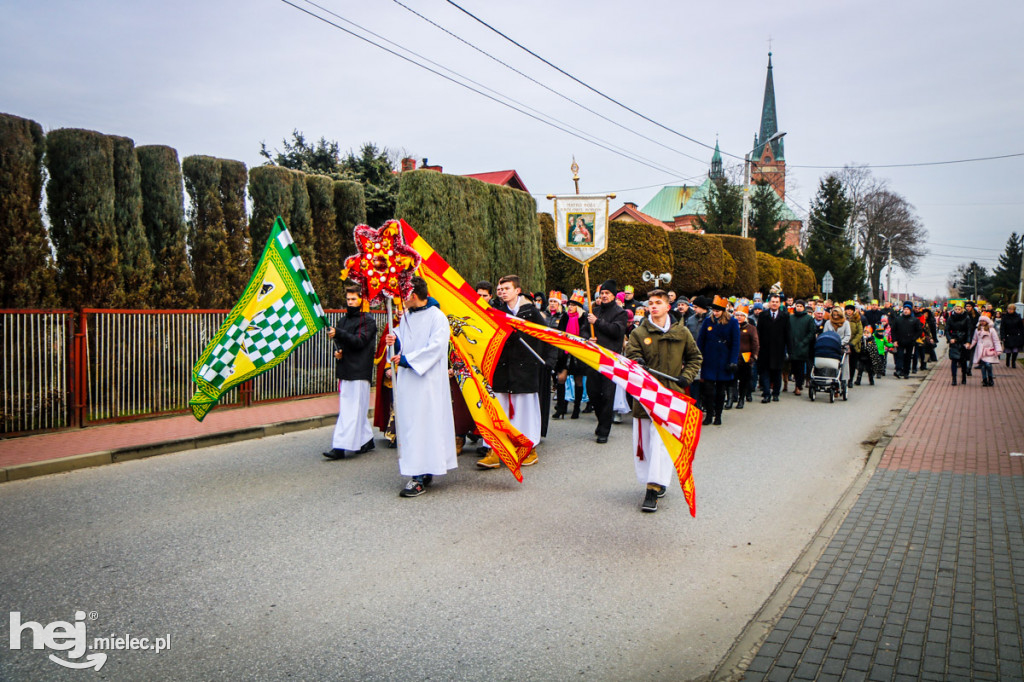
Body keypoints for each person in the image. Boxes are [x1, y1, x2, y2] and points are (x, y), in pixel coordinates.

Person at [624, 289, 702, 513]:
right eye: (651, 303)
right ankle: (655, 481)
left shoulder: (682, 332)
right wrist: (636, 360)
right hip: (646, 397)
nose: (653, 306)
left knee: (660, 444)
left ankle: (652, 490)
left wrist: (685, 378)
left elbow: (695, 357)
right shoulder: (640, 333)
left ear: (668, 306)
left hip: (670, 398)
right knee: (646, 446)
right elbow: (630, 355)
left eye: (658, 302)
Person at [384, 277, 457, 497]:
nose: (400, 300)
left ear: (413, 296)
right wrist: (393, 340)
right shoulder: (406, 317)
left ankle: (419, 475)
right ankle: (421, 470)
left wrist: (407, 360)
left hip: (428, 383)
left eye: (403, 295)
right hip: (409, 382)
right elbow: (402, 339)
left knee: (425, 425)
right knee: (412, 425)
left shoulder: (438, 318)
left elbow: (436, 348)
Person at [478, 275, 547, 468]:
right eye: (501, 289)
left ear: (517, 290)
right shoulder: (495, 311)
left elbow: (544, 337)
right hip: (500, 370)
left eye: (507, 288)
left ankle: (528, 448)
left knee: (524, 411)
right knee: (497, 411)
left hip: (524, 371)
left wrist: (544, 362)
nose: (502, 291)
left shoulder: (531, 313)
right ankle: (494, 450)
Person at [323, 285, 378, 460]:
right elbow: (343, 344)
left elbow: (360, 341)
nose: (350, 302)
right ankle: (366, 439)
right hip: (346, 368)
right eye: (348, 299)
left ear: (361, 300)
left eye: (353, 299)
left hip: (360, 370)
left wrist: (339, 333)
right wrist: (339, 351)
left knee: (351, 410)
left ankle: (340, 446)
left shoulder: (368, 321)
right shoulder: (343, 320)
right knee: (355, 408)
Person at [587, 280, 630, 444]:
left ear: (613, 295)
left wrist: (597, 322)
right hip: (593, 357)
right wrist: (587, 338)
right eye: (602, 293)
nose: (604, 296)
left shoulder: (621, 313)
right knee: (593, 392)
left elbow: (617, 331)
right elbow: (585, 329)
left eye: (607, 293)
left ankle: (604, 429)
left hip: (610, 359)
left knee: (607, 394)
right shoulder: (593, 310)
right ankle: (602, 419)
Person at [696, 296, 740, 426]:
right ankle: (709, 414)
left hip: (724, 360)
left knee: (720, 391)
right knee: (708, 390)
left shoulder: (732, 322)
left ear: (723, 311)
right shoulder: (708, 322)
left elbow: (735, 343)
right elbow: (701, 341)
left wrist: (733, 360)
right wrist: (699, 357)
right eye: (713, 311)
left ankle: (718, 415)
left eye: (717, 311)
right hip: (709, 359)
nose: (715, 313)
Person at [553, 291, 589, 419]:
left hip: (578, 352)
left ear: (578, 306)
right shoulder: (565, 317)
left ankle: (576, 408)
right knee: (561, 378)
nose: (570, 307)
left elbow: (586, 334)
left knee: (578, 380)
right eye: (569, 304)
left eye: (573, 305)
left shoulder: (584, 318)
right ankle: (561, 407)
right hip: (564, 352)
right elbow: (560, 331)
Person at [756, 293, 790, 403]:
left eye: (776, 302)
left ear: (779, 303)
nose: (774, 304)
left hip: (779, 349)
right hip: (765, 349)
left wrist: (787, 349)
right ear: (769, 303)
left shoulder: (785, 316)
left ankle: (775, 393)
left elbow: (788, 334)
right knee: (764, 372)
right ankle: (766, 394)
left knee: (776, 372)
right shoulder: (763, 315)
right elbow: (758, 332)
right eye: (772, 302)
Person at [788, 299, 816, 397]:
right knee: (794, 367)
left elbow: (811, 332)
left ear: (804, 307)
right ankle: (796, 383)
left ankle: (798, 386)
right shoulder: (791, 318)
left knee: (800, 367)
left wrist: (804, 342)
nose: (799, 308)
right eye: (797, 306)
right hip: (792, 345)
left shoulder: (808, 319)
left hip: (803, 346)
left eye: (801, 306)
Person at [733, 306, 758, 409]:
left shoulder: (751, 328)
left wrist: (754, 357)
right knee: (732, 380)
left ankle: (741, 399)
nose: (739, 317)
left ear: (745, 317)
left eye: (741, 315)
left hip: (745, 358)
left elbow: (755, 343)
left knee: (744, 380)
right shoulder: (732, 327)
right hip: (733, 357)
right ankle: (731, 398)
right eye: (737, 315)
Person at [889, 302, 923, 379]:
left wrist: (914, 338)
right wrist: (894, 340)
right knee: (899, 356)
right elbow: (893, 330)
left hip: (910, 342)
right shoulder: (898, 319)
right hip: (900, 341)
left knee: (908, 357)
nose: (906, 311)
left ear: (910, 310)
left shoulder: (914, 320)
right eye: (905, 309)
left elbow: (919, 331)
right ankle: (898, 370)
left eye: (907, 309)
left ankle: (906, 372)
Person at [824, 306, 852, 392]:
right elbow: (825, 333)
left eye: (837, 314)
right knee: (831, 364)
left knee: (842, 365)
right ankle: (830, 380)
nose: (835, 316)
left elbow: (848, 335)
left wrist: (841, 343)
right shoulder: (828, 323)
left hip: (841, 347)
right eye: (834, 314)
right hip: (831, 346)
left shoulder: (846, 323)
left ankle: (843, 382)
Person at [969, 315, 1002, 386]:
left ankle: (990, 378)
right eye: (981, 321)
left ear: (987, 321)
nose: (982, 322)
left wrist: (998, 349)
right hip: (980, 350)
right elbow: (975, 339)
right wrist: (970, 345)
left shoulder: (991, 330)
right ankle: (984, 379)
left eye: (983, 321)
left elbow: (996, 340)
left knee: (988, 364)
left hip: (989, 350)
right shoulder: (977, 330)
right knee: (983, 365)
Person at [946, 303, 973, 385]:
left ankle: (964, 377)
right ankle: (954, 379)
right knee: (954, 360)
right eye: (956, 309)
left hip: (963, 340)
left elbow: (969, 330)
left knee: (963, 361)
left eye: (959, 309)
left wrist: (968, 341)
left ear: (962, 309)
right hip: (954, 340)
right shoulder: (951, 318)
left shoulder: (966, 317)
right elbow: (947, 330)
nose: (957, 311)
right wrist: (950, 339)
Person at [845, 304, 864, 390]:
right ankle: (843, 379)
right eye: (847, 309)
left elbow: (860, 333)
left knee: (852, 364)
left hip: (854, 345)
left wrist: (853, 343)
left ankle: (850, 380)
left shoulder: (857, 320)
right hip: (844, 343)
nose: (849, 311)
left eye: (850, 310)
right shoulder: (842, 318)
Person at [1000, 303, 1023, 369]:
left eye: (1011, 309)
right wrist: (1002, 336)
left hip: (1016, 336)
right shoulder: (1005, 317)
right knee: (1008, 350)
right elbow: (1002, 327)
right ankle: (1007, 360)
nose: (1009, 310)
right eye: (1008, 309)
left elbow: (1021, 327)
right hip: (1007, 335)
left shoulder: (1018, 317)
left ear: (1014, 310)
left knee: (1015, 350)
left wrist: (1021, 335)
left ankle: (1013, 362)